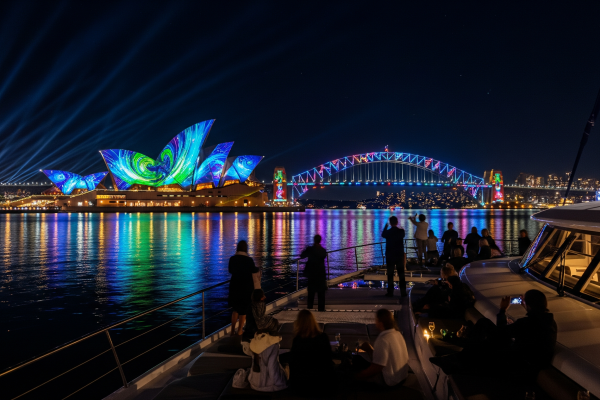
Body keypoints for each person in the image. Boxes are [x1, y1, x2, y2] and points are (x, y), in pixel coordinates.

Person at [430, 290, 557, 382]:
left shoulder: (528, 322)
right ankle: (459, 358)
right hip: (526, 360)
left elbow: (501, 334)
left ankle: (459, 359)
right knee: (486, 331)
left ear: (528, 305)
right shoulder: (549, 322)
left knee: (485, 328)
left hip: (519, 366)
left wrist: (502, 310)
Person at [283, 310, 333, 394]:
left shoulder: (298, 340)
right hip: (323, 385)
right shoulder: (323, 337)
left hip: (301, 387)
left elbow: (293, 363)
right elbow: (328, 358)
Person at [355, 309, 409, 387]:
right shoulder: (397, 334)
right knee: (359, 360)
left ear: (380, 322)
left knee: (353, 374)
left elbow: (377, 368)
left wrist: (358, 376)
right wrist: (369, 349)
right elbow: (384, 358)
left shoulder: (383, 339)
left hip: (390, 381)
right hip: (402, 377)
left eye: (376, 320)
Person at [228, 240, 259, 336]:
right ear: (246, 249)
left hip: (234, 287)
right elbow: (253, 270)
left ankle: (232, 330)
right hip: (246, 288)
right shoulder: (249, 260)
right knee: (244, 310)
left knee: (235, 309)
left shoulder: (232, 259)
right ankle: (240, 330)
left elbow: (230, 270)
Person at [248, 327, 288, 392]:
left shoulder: (255, 341)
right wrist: (280, 383)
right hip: (268, 386)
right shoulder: (273, 345)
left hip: (254, 383)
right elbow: (272, 368)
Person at [301, 235, 328, 311]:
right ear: (320, 240)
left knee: (311, 293)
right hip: (321, 274)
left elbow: (302, 256)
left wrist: (306, 249)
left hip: (312, 274)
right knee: (321, 294)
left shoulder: (310, 249)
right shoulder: (323, 250)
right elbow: (323, 256)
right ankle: (321, 309)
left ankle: (310, 309)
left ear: (314, 240)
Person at [382, 216, 406, 297]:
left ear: (390, 223)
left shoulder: (388, 232)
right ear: (397, 222)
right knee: (401, 274)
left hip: (390, 255)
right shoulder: (401, 231)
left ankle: (390, 292)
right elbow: (403, 234)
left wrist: (385, 226)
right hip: (399, 255)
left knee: (390, 274)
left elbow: (383, 234)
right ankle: (403, 292)